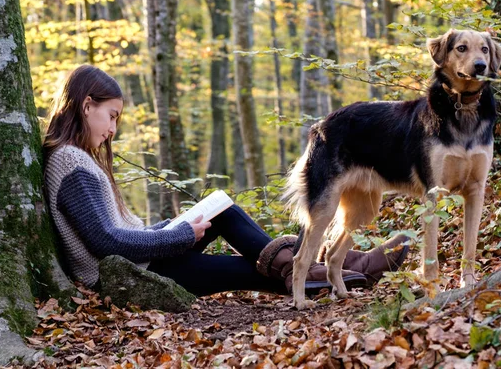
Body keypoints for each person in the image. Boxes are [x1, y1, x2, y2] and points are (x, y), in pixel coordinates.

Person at [42, 65, 410, 297]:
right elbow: (107, 242)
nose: (112, 129)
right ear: (86, 105)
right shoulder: (70, 161)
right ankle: (341, 269)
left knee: (224, 208)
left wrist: (172, 227)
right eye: (111, 116)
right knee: (249, 269)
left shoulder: (76, 160)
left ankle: (337, 263)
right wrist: (179, 234)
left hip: (140, 265)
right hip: (129, 277)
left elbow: (115, 232)